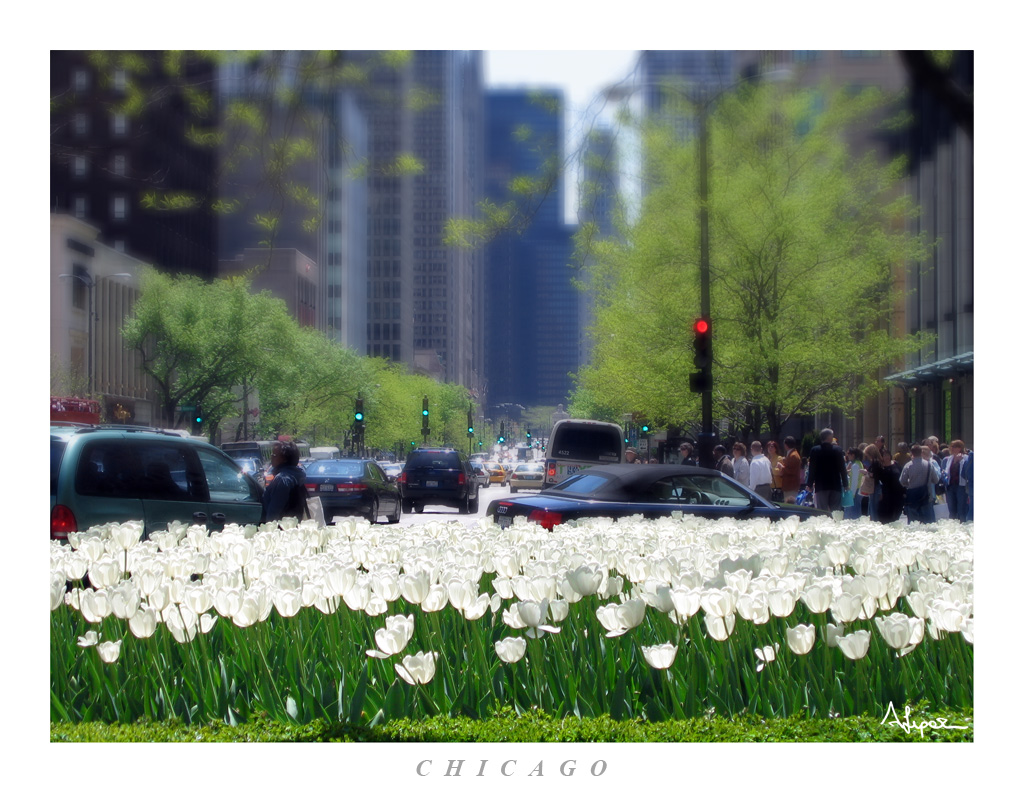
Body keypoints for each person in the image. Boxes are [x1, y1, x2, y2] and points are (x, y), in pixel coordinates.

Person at [262, 440, 308, 523]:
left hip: (282, 528)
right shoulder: (297, 474)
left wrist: (268, 529)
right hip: (294, 524)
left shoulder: (282, 479)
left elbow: (274, 511)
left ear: (284, 459)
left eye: (274, 455)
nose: (271, 457)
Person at [806, 428, 848, 514]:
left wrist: (809, 484)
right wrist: (845, 484)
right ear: (830, 437)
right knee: (836, 512)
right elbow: (842, 469)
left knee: (822, 512)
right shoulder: (838, 450)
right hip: (835, 484)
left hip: (821, 485)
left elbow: (812, 469)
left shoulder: (815, 450)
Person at [899, 444, 938, 524]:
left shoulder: (908, 465)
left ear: (911, 453)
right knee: (927, 523)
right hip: (925, 496)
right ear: (921, 452)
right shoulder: (929, 465)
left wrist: (909, 484)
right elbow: (936, 480)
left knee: (913, 523)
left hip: (912, 497)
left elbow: (902, 481)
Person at [875, 450, 905, 524]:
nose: (886, 457)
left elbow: (902, 476)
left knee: (897, 512)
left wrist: (904, 491)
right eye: (884, 455)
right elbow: (877, 480)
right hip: (886, 494)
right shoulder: (880, 467)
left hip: (898, 493)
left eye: (887, 455)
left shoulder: (896, 464)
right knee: (887, 516)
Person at [943, 440, 968, 522]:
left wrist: (959, 461)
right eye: (951, 446)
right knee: (951, 508)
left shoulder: (965, 458)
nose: (952, 448)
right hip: (950, 486)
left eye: (954, 447)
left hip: (961, 486)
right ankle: (952, 524)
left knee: (961, 507)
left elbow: (964, 471)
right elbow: (948, 471)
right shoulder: (949, 459)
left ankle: (962, 523)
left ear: (960, 448)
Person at [777, 436, 802, 503]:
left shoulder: (793, 456)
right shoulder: (792, 454)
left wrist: (781, 467)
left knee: (790, 505)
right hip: (790, 485)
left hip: (791, 486)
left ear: (786, 445)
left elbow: (791, 471)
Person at [860, 444, 881, 521]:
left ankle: (874, 522)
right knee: (872, 506)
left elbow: (875, 475)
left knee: (873, 507)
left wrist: (866, 473)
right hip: (875, 486)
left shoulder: (875, 462)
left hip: (874, 486)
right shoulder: (876, 462)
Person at [844, 447, 864, 520]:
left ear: (853, 455)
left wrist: (851, 494)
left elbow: (854, 481)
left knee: (853, 512)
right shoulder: (858, 463)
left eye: (848, 454)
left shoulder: (855, 465)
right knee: (857, 510)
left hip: (854, 491)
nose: (847, 455)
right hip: (858, 490)